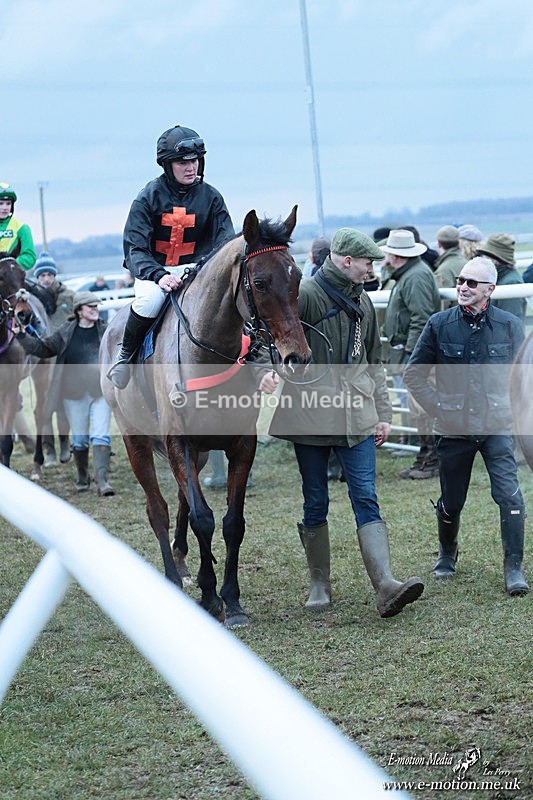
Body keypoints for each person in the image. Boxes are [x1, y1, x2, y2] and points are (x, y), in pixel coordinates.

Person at [260, 228, 424, 618]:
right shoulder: (308, 295)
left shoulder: (364, 301)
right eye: (368, 262)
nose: (373, 268)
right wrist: (268, 372)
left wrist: (383, 413)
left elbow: (373, 361)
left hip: (358, 417)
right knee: (315, 499)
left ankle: (385, 585)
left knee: (366, 497)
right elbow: (274, 338)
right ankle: (319, 584)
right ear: (347, 261)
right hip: (310, 415)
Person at [404, 256, 528, 596]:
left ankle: (513, 567)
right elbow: (413, 375)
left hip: (497, 427)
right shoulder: (439, 324)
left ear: (490, 289)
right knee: (452, 499)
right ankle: (447, 553)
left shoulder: (509, 325)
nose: (462, 286)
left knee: (509, 495)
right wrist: (438, 409)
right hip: (453, 429)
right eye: (460, 280)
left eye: (472, 283)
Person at [107, 124, 235, 389]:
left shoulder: (212, 198)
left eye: (194, 160)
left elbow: (225, 242)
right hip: (155, 272)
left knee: (230, 304)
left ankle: (254, 359)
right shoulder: (147, 198)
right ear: (167, 164)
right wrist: (159, 275)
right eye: (182, 162)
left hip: (198, 272)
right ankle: (125, 356)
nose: (191, 167)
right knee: (149, 302)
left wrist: (204, 269)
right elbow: (135, 248)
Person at [16, 291, 115, 496]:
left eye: (96, 306)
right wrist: (21, 336)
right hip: (73, 395)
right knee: (79, 440)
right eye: (91, 307)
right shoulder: (65, 332)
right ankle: (82, 477)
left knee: (101, 436)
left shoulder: (106, 331)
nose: (96, 310)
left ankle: (103, 481)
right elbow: (43, 349)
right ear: (79, 310)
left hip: (100, 393)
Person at [381, 229, 441, 479]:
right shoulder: (411, 275)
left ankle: (431, 460)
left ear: (395, 255)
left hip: (417, 354)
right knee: (420, 408)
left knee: (423, 407)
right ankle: (427, 458)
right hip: (416, 351)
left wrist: (412, 355)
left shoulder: (413, 278)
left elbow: (421, 319)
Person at [27, 251, 76, 466]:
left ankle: (65, 443)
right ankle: (49, 451)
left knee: (63, 405)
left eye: (49, 274)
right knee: (44, 405)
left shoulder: (69, 297)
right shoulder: (31, 300)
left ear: (54, 275)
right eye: (41, 275)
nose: (46, 279)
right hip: (43, 359)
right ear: (36, 278)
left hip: (65, 358)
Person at [476, 233, 526, 326]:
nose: (482, 258)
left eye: (485, 255)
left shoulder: (511, 284)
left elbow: (509, 325)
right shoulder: (499, 277)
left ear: (495, 258)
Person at [0, 183, 36, 271]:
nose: (5, 207)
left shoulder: (22, 228)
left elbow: (30, 256)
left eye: (8, 204)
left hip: (11, 276)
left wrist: (10, 265)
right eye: (1, 203)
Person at [433, 225, 466, 306]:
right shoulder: (468, 263)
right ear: (458, 244)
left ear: (439, 244)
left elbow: (443, 305)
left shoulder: (443, 270)